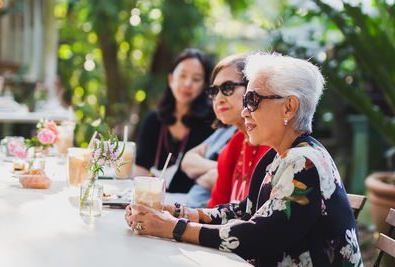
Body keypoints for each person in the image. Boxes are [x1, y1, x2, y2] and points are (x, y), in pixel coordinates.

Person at [126, 52, 363, 266]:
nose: (244, 111)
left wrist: (173, 228)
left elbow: (260, 235)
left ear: (289, 107)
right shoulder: (278, 156)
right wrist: (179, 213)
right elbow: (243, 212)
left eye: (253, 100)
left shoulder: (304, 162)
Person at [182, 54, 269, 208]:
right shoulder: (234, 145)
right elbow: (213, 215)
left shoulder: (273, 144)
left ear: (252, 88)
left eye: (227, 88)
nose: (219, 98)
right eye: (214, 91)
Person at [133, 48, 215, 193]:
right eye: (182, 76)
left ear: (204, 86)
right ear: (171, 79)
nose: (188, 84)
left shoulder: (211, 124)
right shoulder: (152, 121)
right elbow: (140, 171)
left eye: (196, 79)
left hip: (191, 208)